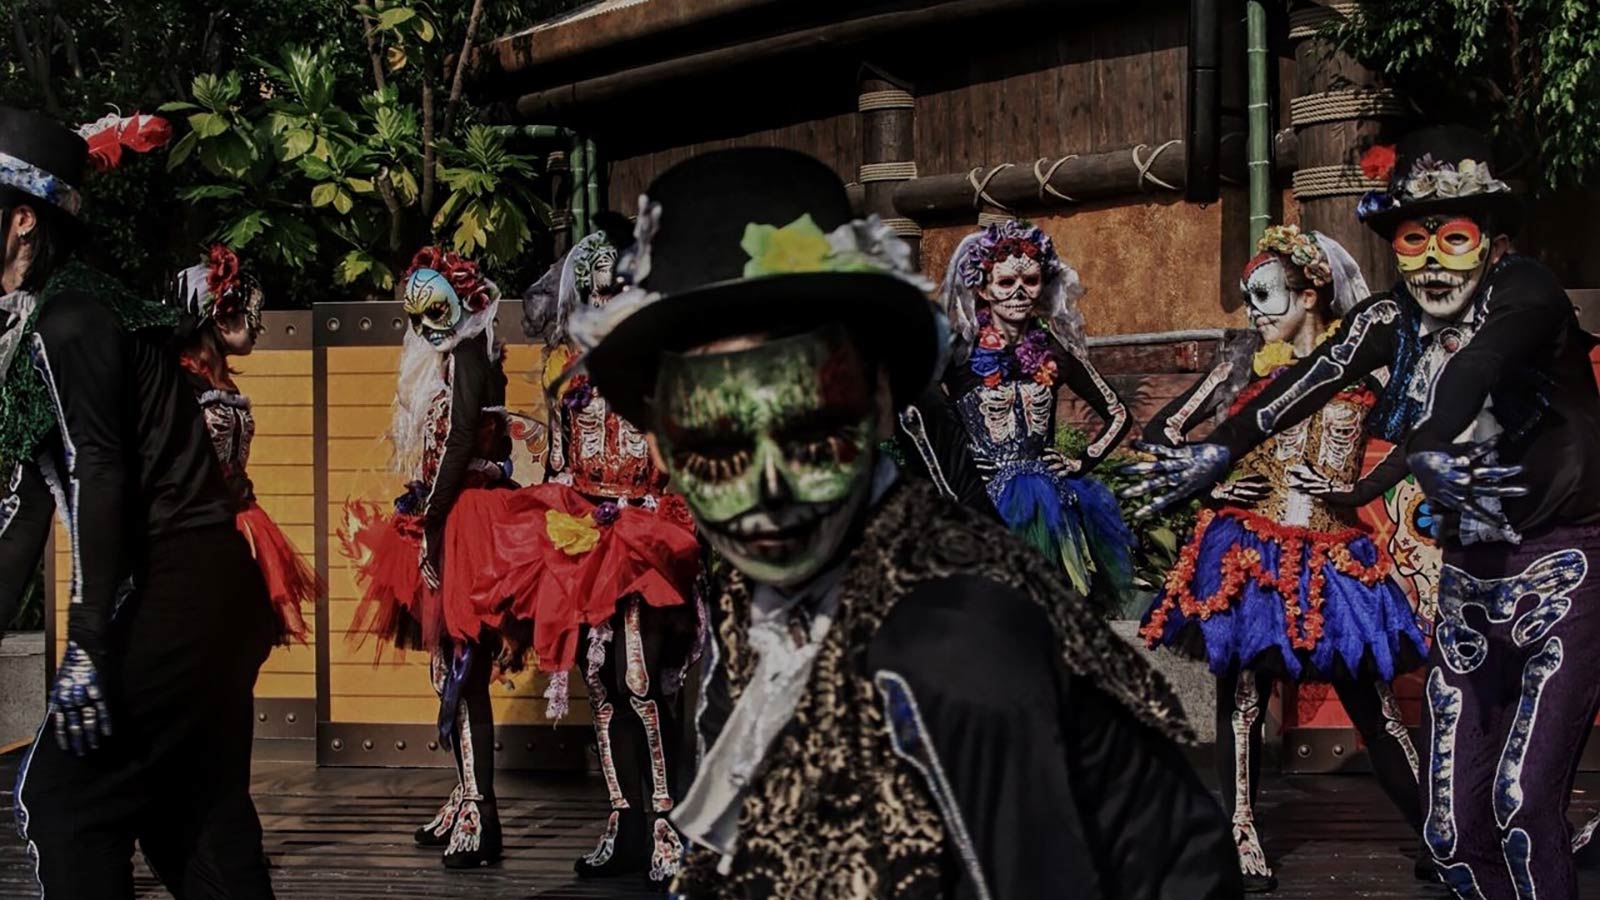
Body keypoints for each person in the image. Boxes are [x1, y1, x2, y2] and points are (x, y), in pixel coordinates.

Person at [575, 146, 1242, 898]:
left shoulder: (950, 639)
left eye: (809, 426)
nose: (766, 491)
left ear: (880, 401)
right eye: (712, 439)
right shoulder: (771, 589)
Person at [1122, 126, 1600, 900]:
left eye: (1454, 238)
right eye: (1415, 242)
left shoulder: (1526, 292)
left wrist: (1431, 441)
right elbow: (1302, 383)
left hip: (1562, 569)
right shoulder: (1387, 321)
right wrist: (1223, 447)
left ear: (1495, 242)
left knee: (1518, 806)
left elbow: (1478, 363)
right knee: (1450, 835)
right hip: (1470, 586)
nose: (1433, 260)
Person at [0, 104, 276, 897]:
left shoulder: (72, 321)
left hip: (174, 587)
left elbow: (100, 471)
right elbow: (25, 511)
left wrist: (87, 642)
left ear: (22, 221)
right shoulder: (54, 321)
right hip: (207, 591)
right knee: (194, 814)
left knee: (63, 802)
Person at [1138, 224, 1427, 891]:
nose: (1257, 310)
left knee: (1373, 701)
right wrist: (1211, 482)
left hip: (1331, 550)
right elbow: (1164, 433)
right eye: (1249, 297)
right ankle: (1239, 829)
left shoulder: (1369, 359)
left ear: (1313, 291)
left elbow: (1423, 428)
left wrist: (1357, 490)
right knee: (1244, 692)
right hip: (1252, 545)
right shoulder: (1242, 365)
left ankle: (1439, 833)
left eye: (1268, 294)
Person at [508, 220, 701, 887]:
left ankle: (669, 823)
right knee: (599, 678)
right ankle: (623, 818)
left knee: (640, 677)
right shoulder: (567, 370)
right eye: (595, 289)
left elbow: (678, 454)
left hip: (645, 533)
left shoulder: (657, 362)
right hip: (585, 530)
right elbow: (561, 460)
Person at [340, 246, 521, 869]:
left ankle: (482, 812)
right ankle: (466, 792)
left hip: (461, 517)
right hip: (438, 513)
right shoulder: (447, 358)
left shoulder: (471, 354)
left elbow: (465, 436)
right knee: (447, 669)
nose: (423, 327)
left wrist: (434, 517)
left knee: (465, 671)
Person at [931, 219, 1136, 611]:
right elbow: (915, 410)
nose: (1019, 294)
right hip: (981, 502)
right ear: (983, 287)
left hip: (1049, 505)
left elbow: (1117, 413)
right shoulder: (958, 352)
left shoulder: (1056, 350)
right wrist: (951, 469)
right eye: (1006, 282)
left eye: (1031, 280)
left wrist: (1082, 461)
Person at [169, 244, 319, 644]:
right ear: (217, 316)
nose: (255, 322)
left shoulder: (224, 383)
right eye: (243, 310)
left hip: (241, 520)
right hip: (197, 528)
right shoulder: (179, 383)